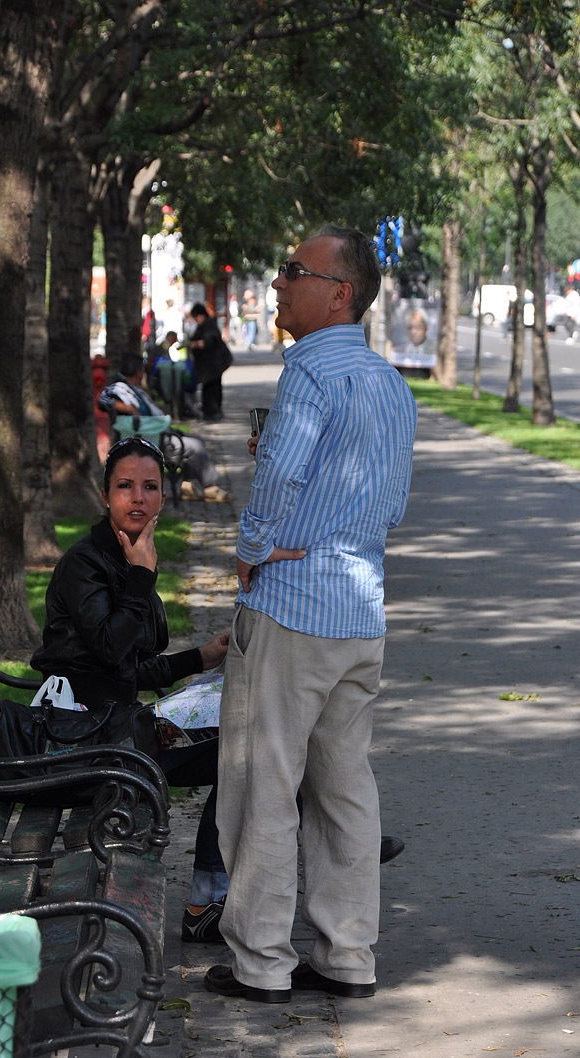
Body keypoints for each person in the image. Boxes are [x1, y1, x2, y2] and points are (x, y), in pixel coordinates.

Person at [205, 225, 418, 1005]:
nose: (276, 282)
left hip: (293, 609)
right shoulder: (390, 385)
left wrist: (253, 548)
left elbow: (279, 479)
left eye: (291, 270)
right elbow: (391, 504)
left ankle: (261, 962)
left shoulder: (308, 375)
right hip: (360, 610)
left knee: (262, 784)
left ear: (339, 294)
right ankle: (346, 955)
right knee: (343, 789)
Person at [30, 436, 230, 929]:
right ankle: (212, 898)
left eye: (150, 487)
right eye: (125, 486)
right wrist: (142, 577)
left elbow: (123, 669)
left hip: (113, 726)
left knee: (253, 744)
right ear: (105, 495)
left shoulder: (126, 552)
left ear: (163, 495)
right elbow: (110, 649)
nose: (138, 498)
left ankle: (219, 892)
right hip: (85, 740)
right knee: (246, 752)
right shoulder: (88, 564)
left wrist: (199, 659)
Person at [98, 353, 231, 502]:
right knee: (195, 446)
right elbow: (103, 399)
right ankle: (210, 487)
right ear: (139, 372)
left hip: (154, 433)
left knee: (196, 440)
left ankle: (187, 486)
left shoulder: (134, 389)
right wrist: (126, 408)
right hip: (149, 438)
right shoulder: (121, 388)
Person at [188, 302, 232, 422]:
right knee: (210, 387)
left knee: (212, 387)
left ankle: (213, 411)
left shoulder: (209, 325)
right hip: (211, 364)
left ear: (201, 315)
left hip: (214, 363)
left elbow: (209, 340)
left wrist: (196, 344)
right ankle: (210, 410)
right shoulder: (205, 325)